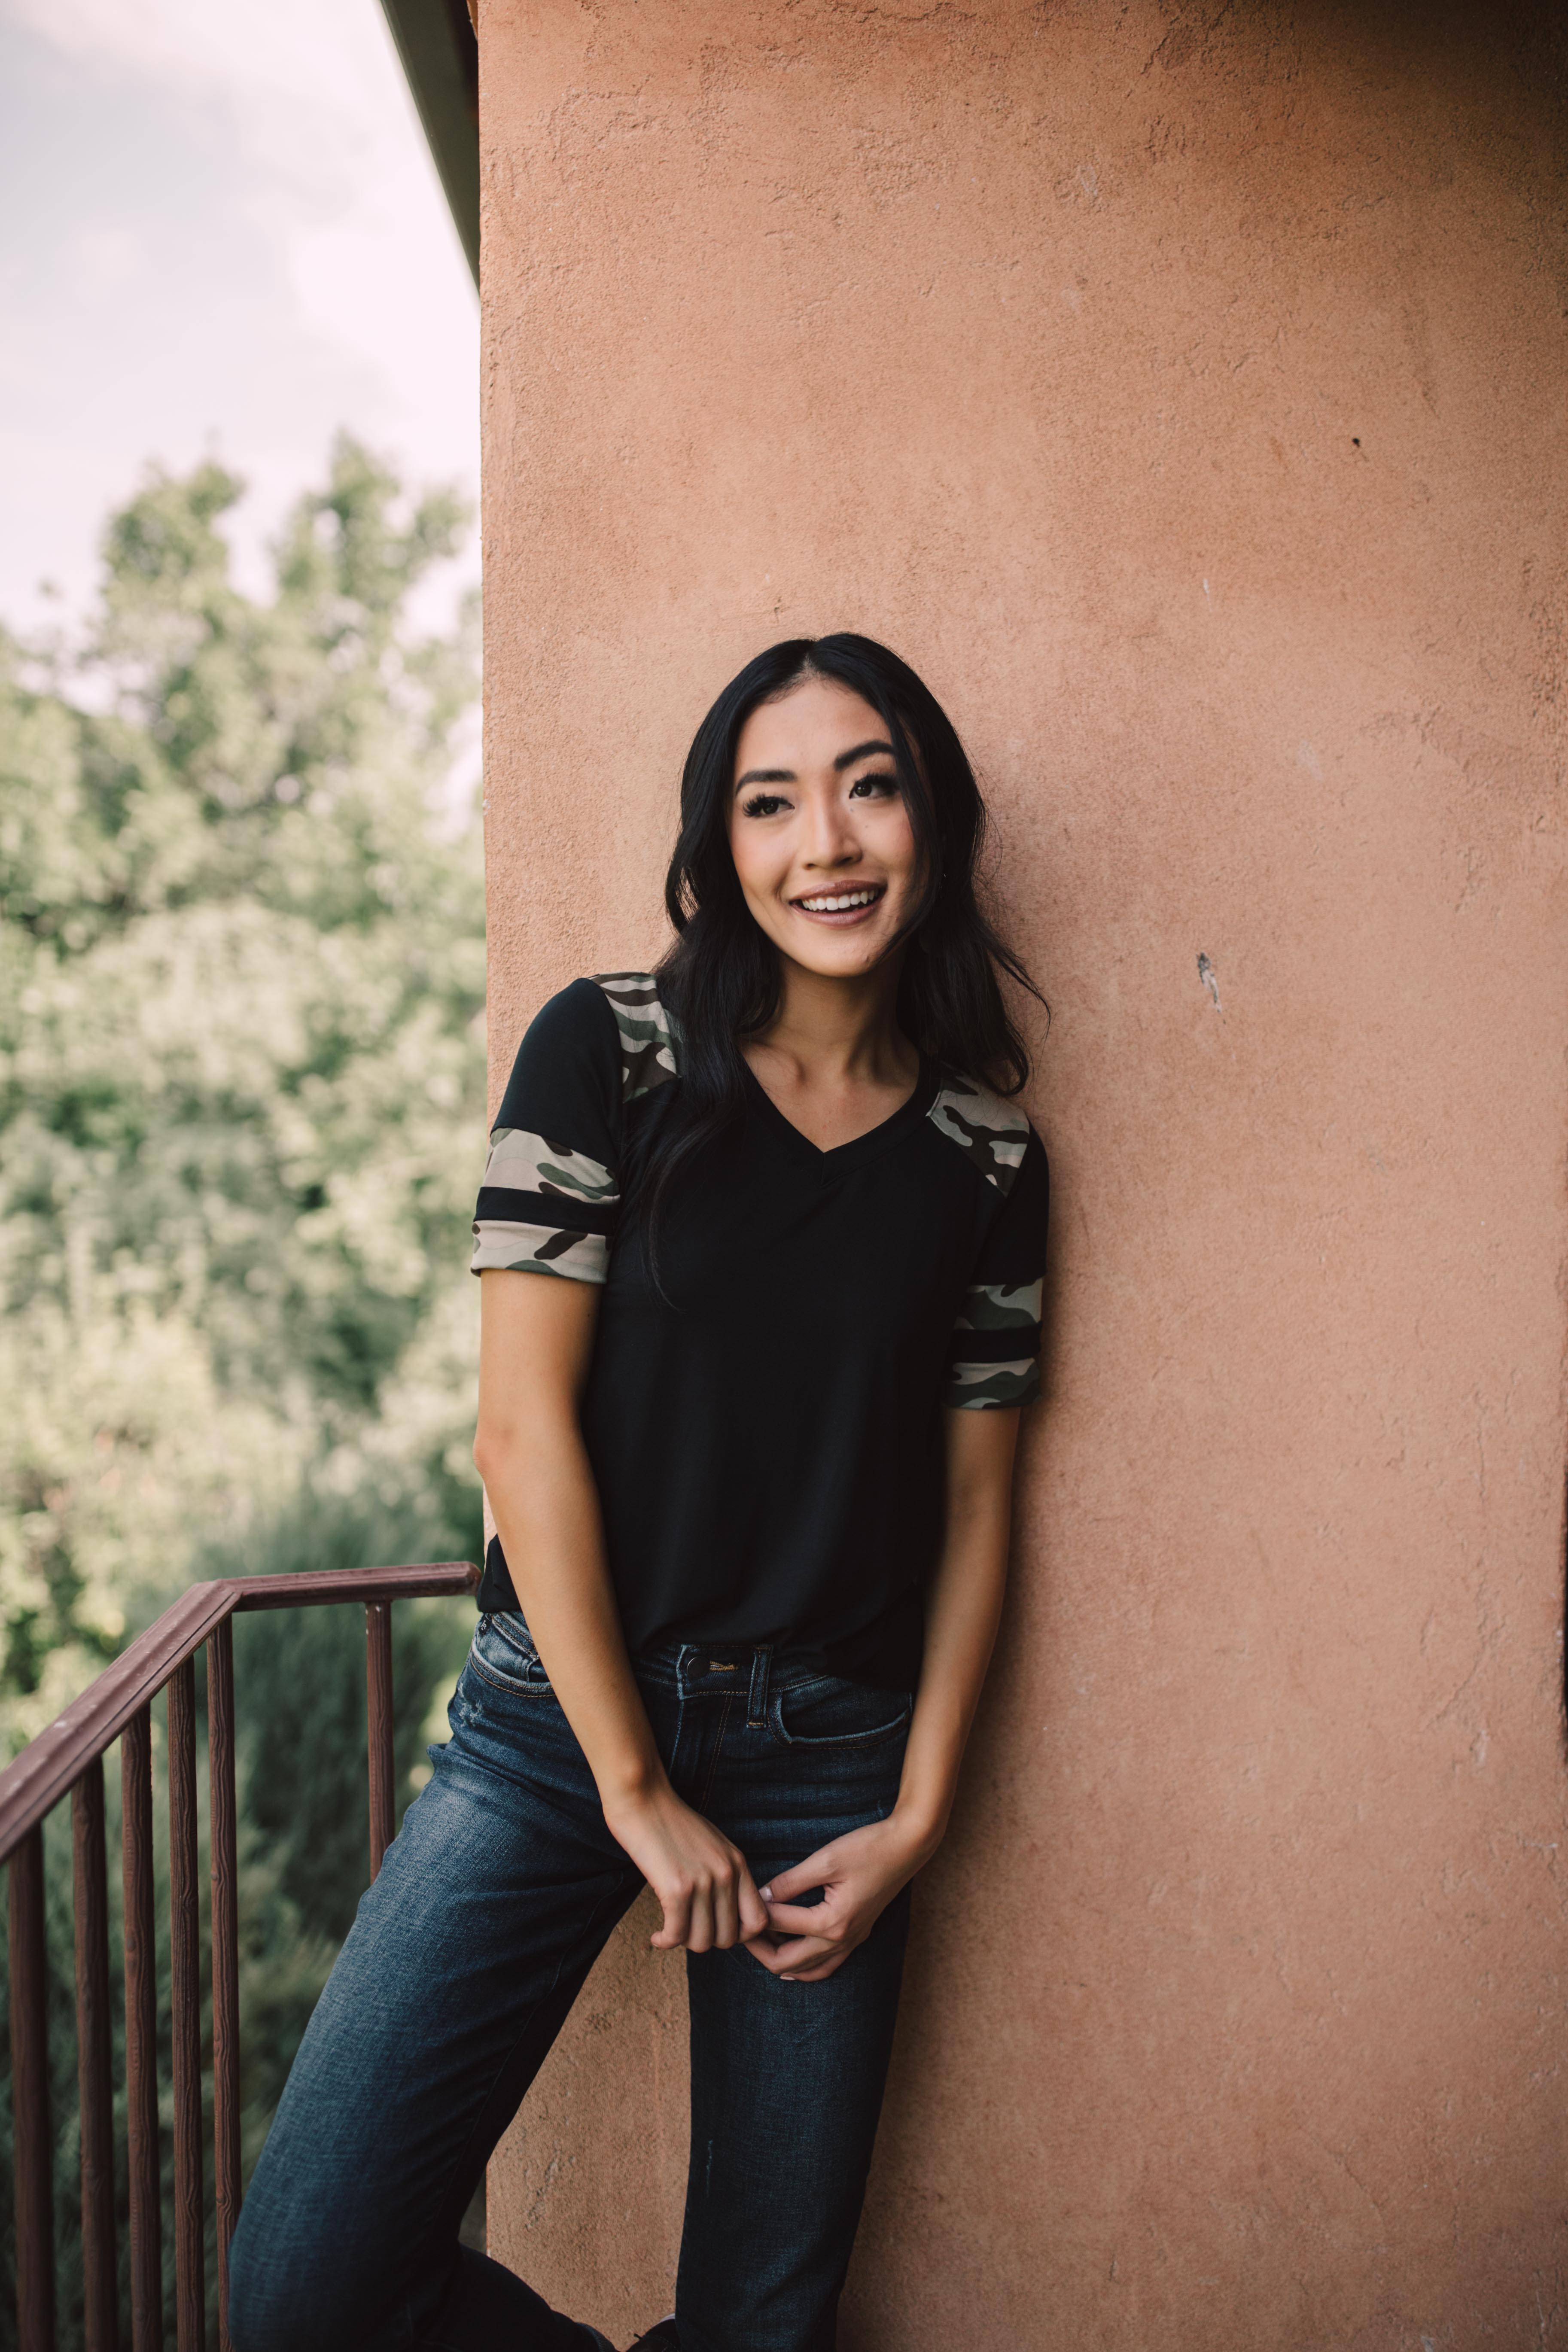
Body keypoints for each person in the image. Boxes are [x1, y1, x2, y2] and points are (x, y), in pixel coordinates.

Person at [228, 633, 1050, 2352]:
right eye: (771, 801)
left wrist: (917, 1812)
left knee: (763, 2321)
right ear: (720, 847)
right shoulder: (602, 1053)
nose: (824, 841)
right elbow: (518, 1436)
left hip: (834, 1757)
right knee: (304, 2287)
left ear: (932, 820)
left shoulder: (985, 1151)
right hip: (552, 1732)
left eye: (867, 784)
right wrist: (633, 1786)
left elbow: (979, 1505)